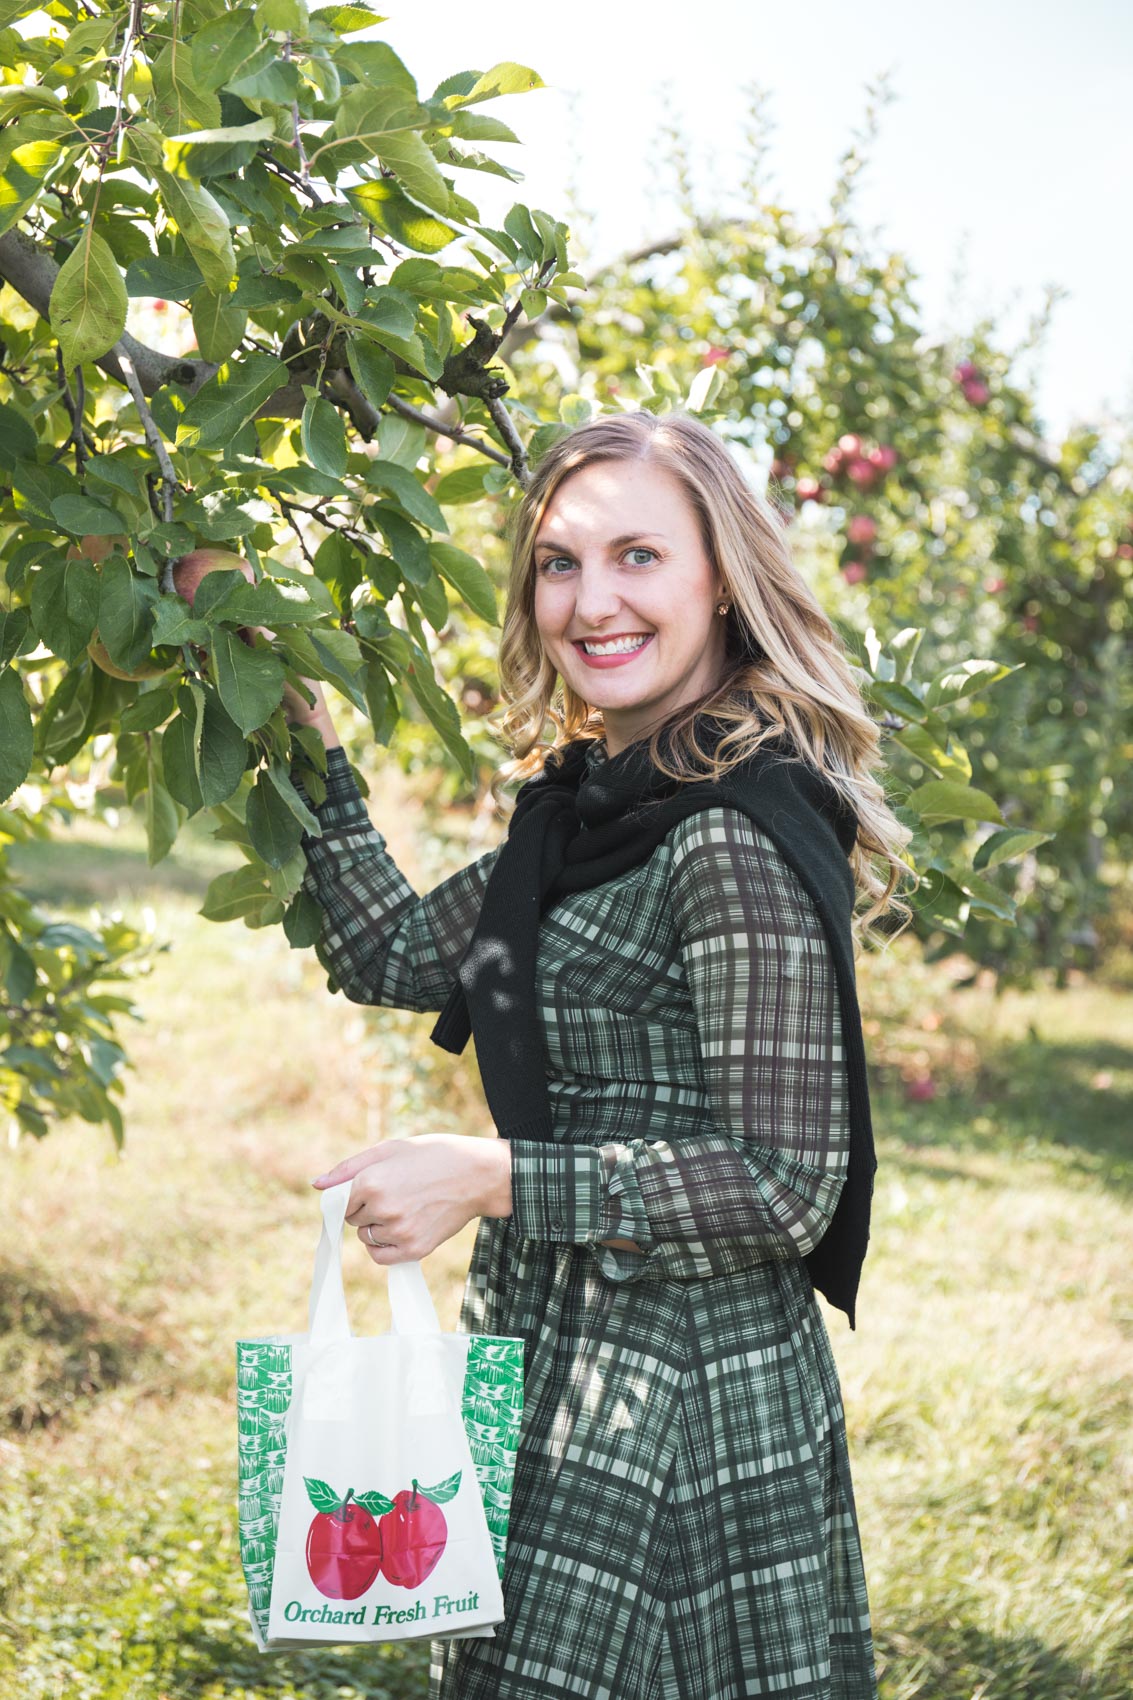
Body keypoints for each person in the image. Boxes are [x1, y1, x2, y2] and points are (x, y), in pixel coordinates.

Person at [286, 411, 913, 1699]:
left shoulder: (727, 836)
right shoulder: (586, 809)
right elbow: (396, 955)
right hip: (561, 1336)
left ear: (723, 582)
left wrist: (494, 1174)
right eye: (560, 564)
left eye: (638, 557)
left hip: (680, 1388)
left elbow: (785, 1183)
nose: (591, 601)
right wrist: (301, 736)